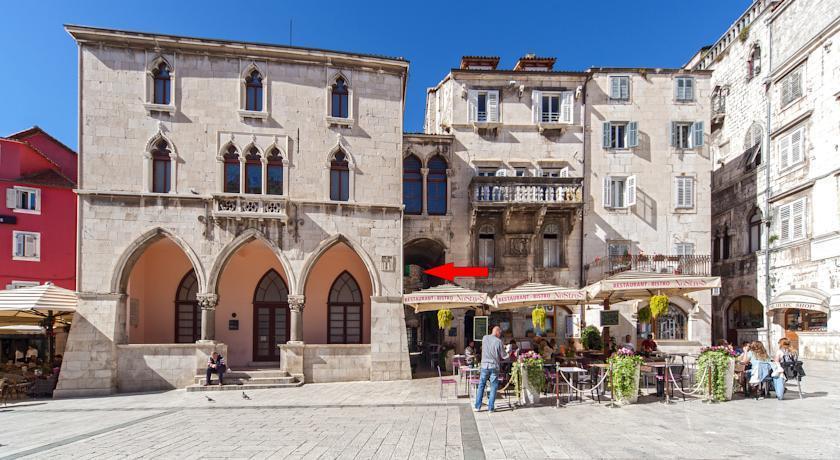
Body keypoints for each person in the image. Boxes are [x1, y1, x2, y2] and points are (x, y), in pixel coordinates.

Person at [474, 326, 505, 413]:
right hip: (494, 366)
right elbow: (503, 355)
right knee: (494, 386)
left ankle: (477, 407)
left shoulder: (485, 338)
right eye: (500, 333)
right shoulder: (499, 341)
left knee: (481, 385)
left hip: (484, 365)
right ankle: (490, 408)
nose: (500, 335)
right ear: (497, 332)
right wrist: (509, 352)